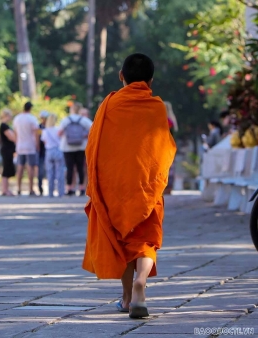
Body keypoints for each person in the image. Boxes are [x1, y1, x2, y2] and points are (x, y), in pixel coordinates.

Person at [82, 53, 176, 319]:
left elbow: (94, 146)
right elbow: (164, 148)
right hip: (146, 185)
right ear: (150, 80)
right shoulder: (157, 106)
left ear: (121, 76)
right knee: (145, 240)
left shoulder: (109, 103)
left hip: (114, 186)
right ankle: (140, 286)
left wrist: (96, 184)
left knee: (121, 239)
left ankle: (125, 299)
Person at [58, 102, 92, 196]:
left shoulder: (66, 120)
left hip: (67, 147)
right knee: (80, 167)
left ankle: (69, 188)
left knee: (70, 168)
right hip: (81, 146)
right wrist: (84, 135)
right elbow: (93, 129)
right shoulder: (83, 120)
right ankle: (81, 188)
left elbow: (59, 133)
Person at [13, 102, 40, 196]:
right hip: (30, 146)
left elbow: (15, 132)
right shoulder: (32, 118)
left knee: (20, 167)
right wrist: (37, 144)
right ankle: (31, 189)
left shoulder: (17, 118)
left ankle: (18, 188)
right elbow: (36, 132)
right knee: (30, 167)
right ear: (30, 108)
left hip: (20, 146)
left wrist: (16, 143)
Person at [41, 114, 65, 197]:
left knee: (50, 173)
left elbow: (44, 142)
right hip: (58, 150)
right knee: (59, 172)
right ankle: (60, 192)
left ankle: (50, 192)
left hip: (49, 152)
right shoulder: (58, 129)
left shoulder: (45, 131)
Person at [0, 110, 17, 196]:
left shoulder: (6, 126)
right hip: (6, 150)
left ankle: (6, 189)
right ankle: (4, 190)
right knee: (6, 170)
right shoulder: (4, 126)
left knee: (8, 169)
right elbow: (11, 137)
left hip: (9, 150)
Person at [38, 111, 49, 196]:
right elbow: (37, 139)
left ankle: (50, 188)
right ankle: (40, 187)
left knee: (50, 171)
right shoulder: (39, 127)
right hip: (41, 152)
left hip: (49, 151)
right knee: (41, 171)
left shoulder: (50, 127)